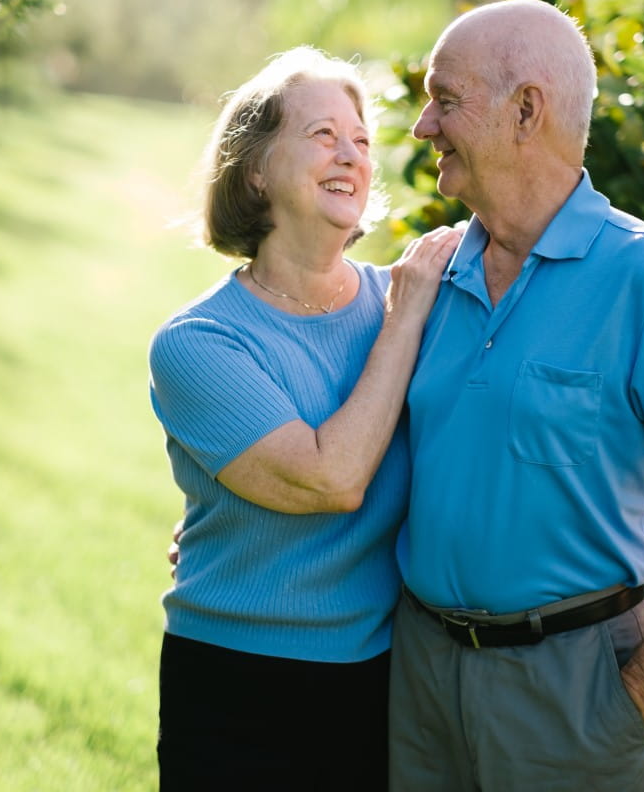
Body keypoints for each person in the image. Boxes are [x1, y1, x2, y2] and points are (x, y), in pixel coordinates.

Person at [388, 0, 644, 791]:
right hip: (420, 682)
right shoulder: (425, 275)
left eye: (446, 99)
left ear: (526, 110)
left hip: (571, 695)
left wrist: (635, 694)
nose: (423, 125)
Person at [147, 46, 461, 791]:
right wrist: (404, 319)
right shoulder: (198, 343)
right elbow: (332, 479)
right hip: (236, 686)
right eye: (323, 135)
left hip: (383, 677)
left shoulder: (416, 300)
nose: (350, 155)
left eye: (360, 141)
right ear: (254, 168)